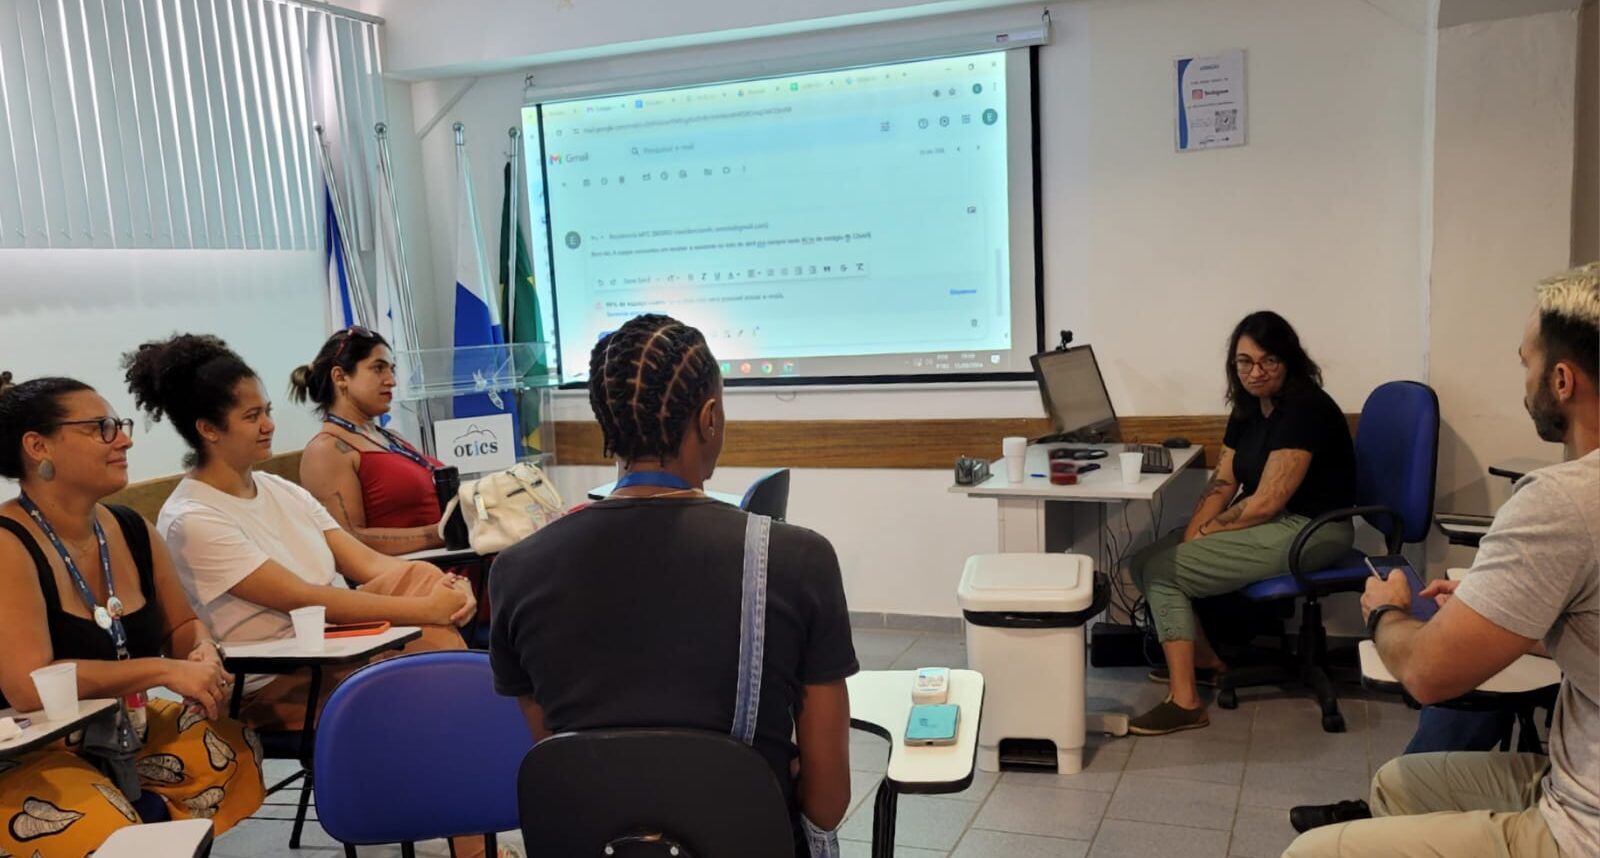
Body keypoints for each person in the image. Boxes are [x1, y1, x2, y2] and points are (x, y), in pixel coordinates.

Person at [489, 314, 857, 855]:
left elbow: (566, 762)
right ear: (710, 418)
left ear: (606, 423)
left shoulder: (515, 569)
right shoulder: (798, 559)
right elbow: (826, 805)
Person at [1283, 263, 1599, 858]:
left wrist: (1385, 613)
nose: (1523, 380)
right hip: (1572, 780)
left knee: (1307, 855)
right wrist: (1512, 619)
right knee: (1396, 784)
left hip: (1581, 827)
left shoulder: (1564, 500)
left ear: (1561, 379)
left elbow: (1427, 675)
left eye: (1525, 363)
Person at [121, 334, 475, 734]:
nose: (270, 425)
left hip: (346, 650)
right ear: (208, 429)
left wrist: (449, 588)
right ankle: (453, 735)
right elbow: (303, 598)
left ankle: (456, 732)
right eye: (252, 416)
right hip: (280, 682)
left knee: (422, 577)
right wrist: (427, 610)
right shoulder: (192, 517)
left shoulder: (280, 489)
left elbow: (370, 564)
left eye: (267, 411)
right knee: (428, 680)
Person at [0, 373, 264, 855]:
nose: (124, 439)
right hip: (28, 748)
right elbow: (27, 684)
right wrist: (164, 669)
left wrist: (201, 656)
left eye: (118, 424)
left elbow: (181, 625)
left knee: (229, 748)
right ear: (38, 446)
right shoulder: (7, 542)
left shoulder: (129, 527)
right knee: (102, 826)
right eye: (101, 427)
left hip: (122, 729)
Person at [1127, 311, 1356, 735]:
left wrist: (1206, 536)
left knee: (1165, 572)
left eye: (1268, 361)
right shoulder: (1249, 407)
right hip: (1279, 521)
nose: (1255, 372)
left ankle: (1186, 703)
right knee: (1142, 562)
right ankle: (1207, 662)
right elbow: (1225, 480)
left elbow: (1267, 502)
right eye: (1244, 362)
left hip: (1315, 528)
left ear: (1289, 360)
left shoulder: (1304, 407)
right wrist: (1197, 529)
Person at [291, 326, 446, 556]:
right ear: (340, 377)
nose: (392, 381)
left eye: (392, 370)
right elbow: (348, 541)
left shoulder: (392, 438)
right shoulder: (326, 450)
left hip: (456, 559)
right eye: (378, 368)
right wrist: (440, 534)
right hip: (419, 577)